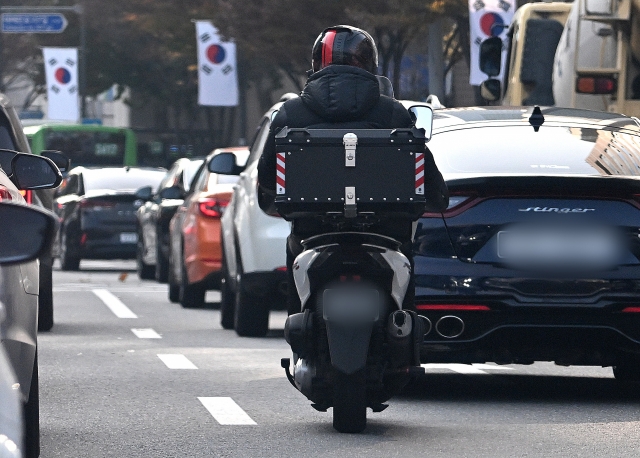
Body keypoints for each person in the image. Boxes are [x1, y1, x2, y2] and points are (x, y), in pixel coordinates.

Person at [257, 25, 448, 315]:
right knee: (406, 269)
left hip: (312, 229)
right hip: (385, 230)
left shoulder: (291, 114)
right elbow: (427, 177)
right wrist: (437, 198)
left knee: (293, 250)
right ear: (370, 64)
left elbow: (266, 175)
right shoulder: (393, 113)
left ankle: (298, 330)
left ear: (316, 65)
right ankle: (405, 340)